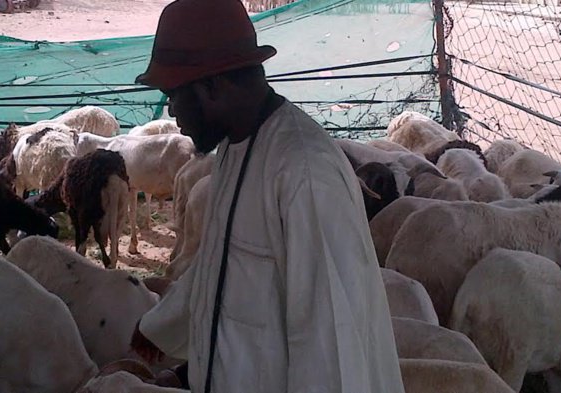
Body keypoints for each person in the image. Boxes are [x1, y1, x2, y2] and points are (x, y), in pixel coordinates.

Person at [130, 0, 405, 392]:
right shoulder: (233, 149)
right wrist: (159, 328)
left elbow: (332, 344)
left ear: (212, 85)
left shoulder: (304, 173)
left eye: (174, 95)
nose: (171, 111)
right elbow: (218, 263)